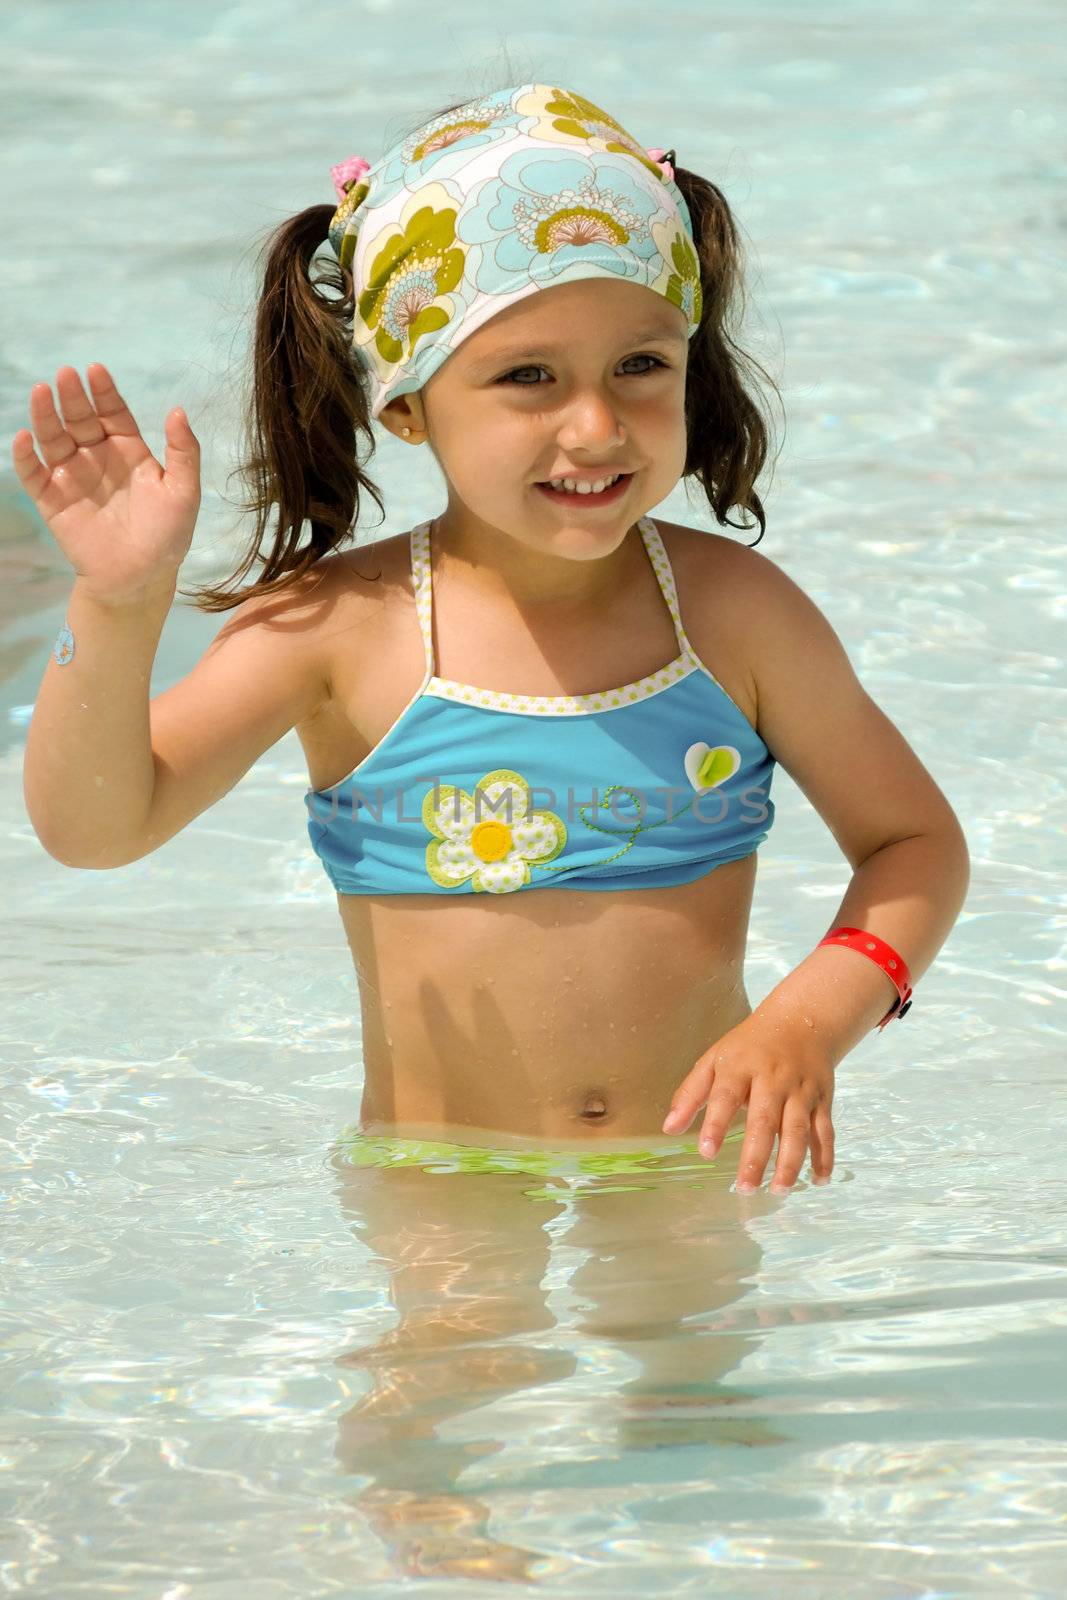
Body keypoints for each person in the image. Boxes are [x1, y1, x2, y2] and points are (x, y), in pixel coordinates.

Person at [13, 81, 970, 1200]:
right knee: (445, 1376)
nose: (596, 425)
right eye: (527, 376)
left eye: (640, 365)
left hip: (687, 1160)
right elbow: (96, 828)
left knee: (692, 1382)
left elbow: (912, 845)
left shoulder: (730, 614)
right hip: (439, 1173)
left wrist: (807, 1026)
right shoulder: (340, 631)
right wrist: (116, 607)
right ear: (409, 402)